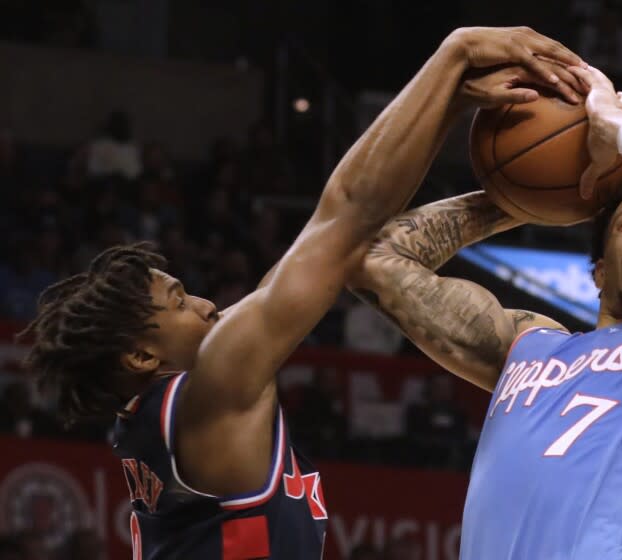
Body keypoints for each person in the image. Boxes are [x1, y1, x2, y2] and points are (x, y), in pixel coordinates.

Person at [19, 28, 586, 559]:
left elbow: (349, 249)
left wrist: (495, 171)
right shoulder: (209, 391)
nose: (208, 304)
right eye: (179, 302)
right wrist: (455, 54)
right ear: (143, 356)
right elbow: (345, 215)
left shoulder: (160, 414)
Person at [349, 65, 622, 559]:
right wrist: (530, 195)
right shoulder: (529, 343)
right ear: (598, 272)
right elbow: (372, 260)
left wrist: (613, 125)